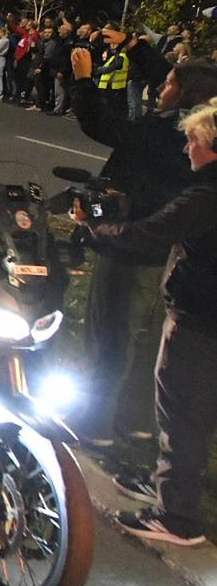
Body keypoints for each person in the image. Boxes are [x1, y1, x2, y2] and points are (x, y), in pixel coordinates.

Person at [80, 99, 217, 547]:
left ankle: (175, 517)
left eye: (193, 140)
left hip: (200, 318)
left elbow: (150, 232)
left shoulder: (206, 195)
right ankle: (168, 490)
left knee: (183, 414)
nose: (186, 148)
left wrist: (93, 229)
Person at [69, 45, 217, 447]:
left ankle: (94, 424)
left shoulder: (164, 130)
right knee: (149, 341)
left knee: (109, 336)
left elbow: (102, 124)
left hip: (131, 244)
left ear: (183, 92)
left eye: (168, 83)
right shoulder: (206, 133)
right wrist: (138, 50)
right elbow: (182, 78)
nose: (160, 87)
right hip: (173, 254)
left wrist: (84, 80)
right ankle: (136, 424)